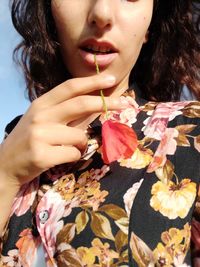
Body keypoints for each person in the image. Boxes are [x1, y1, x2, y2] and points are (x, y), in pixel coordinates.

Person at [0, 0, 200, 266]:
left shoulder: (189, 134)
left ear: (150, 26)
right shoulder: (11, 145)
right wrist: (5, 176)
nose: (101, 14)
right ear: (48, 12)